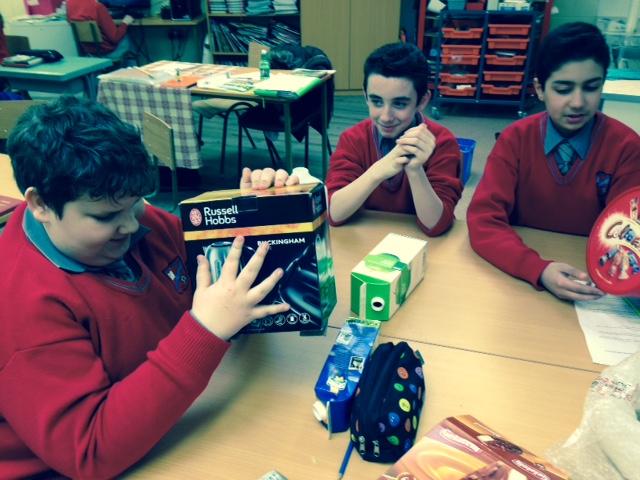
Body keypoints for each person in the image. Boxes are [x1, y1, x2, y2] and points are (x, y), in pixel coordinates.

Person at [0, 96, 290, 479]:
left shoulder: (126, 219)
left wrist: (255, 217)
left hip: (167, 424)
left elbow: (227, 290)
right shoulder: (20, 304)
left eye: (137, 202)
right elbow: (88, 453)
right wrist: (204, 331)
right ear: (40, 205)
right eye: (106, 216)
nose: (132, 225)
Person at [467, 22, 640, 301]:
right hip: (519, 278)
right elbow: (484, 220)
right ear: (540, 88)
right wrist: (537, 269)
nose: (578, 102)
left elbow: (631, 237)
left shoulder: (626, 147)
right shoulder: (515, 139)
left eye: (591, 87)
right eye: (563, 89)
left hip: (591, 282)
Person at [324, 42, 463, 237]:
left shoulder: (442, 142)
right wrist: (379, 171)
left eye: (399, 104)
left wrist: (415, 170)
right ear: (365, 95)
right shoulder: (353, 139)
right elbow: (334, 213)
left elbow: (436, 225)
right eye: (377, 101)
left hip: (421, 244)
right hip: (367, 240)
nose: (386, 117)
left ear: (422, 101)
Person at [66, 0, 133, 59]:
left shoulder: (70, 4)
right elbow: (115, 38)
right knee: (127, 34)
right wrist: (125, 23)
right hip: (109, 53)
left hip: (90, 53)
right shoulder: (97, 7)